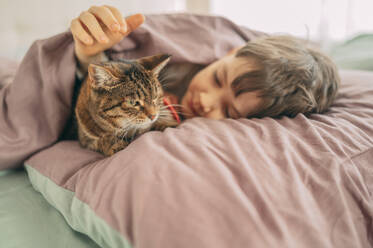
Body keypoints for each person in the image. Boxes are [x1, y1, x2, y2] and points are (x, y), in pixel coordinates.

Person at [70, 5, 340, 120]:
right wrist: (90, 54)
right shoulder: (191, 55)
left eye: (229, 112)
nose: (206, 101)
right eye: (217, 79)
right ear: (229, 53)